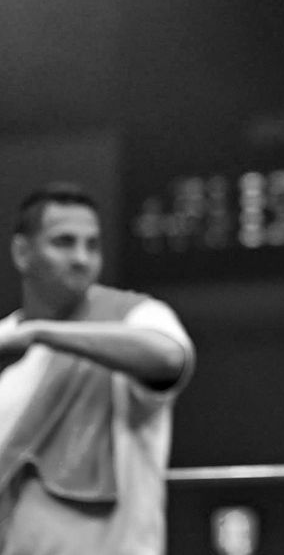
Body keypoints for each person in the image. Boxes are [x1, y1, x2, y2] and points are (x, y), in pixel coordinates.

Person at [0, 183, 195, 554]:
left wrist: (42, 333)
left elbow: (171, 358)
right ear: (22, 252)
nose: (81, 258)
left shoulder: (133, 316)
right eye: (64, 242)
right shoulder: (5, 339)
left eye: (92, 245)